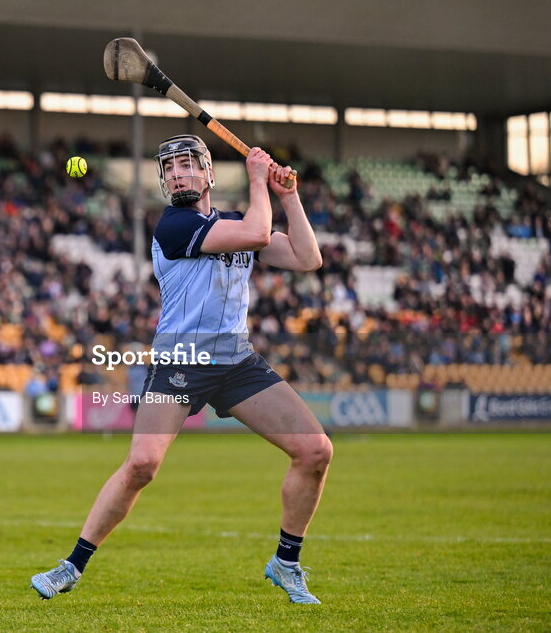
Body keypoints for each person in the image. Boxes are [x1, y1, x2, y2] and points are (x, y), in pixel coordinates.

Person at [31, 135, 330, 604]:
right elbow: (255, 234)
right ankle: (72, 564)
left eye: (187, 166)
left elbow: (308, 259)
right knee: (142, 466)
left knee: (316, 452)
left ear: (209, 174)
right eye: (169, 170)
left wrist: (289, 196)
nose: (177, 175)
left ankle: (286, 564)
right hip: (180, 361)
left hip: (235, 361)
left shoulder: (235, 221)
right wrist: (258, 180)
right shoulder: (173, 225)